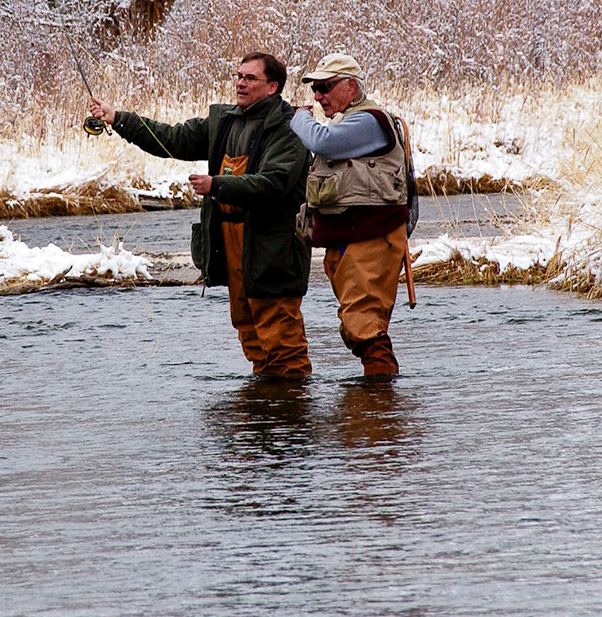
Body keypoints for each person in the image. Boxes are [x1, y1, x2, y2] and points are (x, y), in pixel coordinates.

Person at [89, 52, 313, 378]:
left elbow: (273, 183)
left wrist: (216, 185)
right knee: (251, 337)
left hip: (273, 249)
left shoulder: (290, 128)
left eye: (250, 78)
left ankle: (291, 417)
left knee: (283, 344)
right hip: (234, 248)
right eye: (238, 76)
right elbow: (170, 140)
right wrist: (119, 119)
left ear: (272, 87)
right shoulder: (223, 121)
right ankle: (265, 414)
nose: (240, 82)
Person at [291, 53, 416, 379]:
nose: (318, 97)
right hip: (351, 240)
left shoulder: (368, 121)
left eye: (325, 87)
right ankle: (376, 410)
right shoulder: (352, 120)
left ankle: (377, 414)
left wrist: (299, 117)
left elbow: (323, 142)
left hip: (370, 241)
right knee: (357, 326)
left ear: (350, 85)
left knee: (363, 326)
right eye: (315, 90)